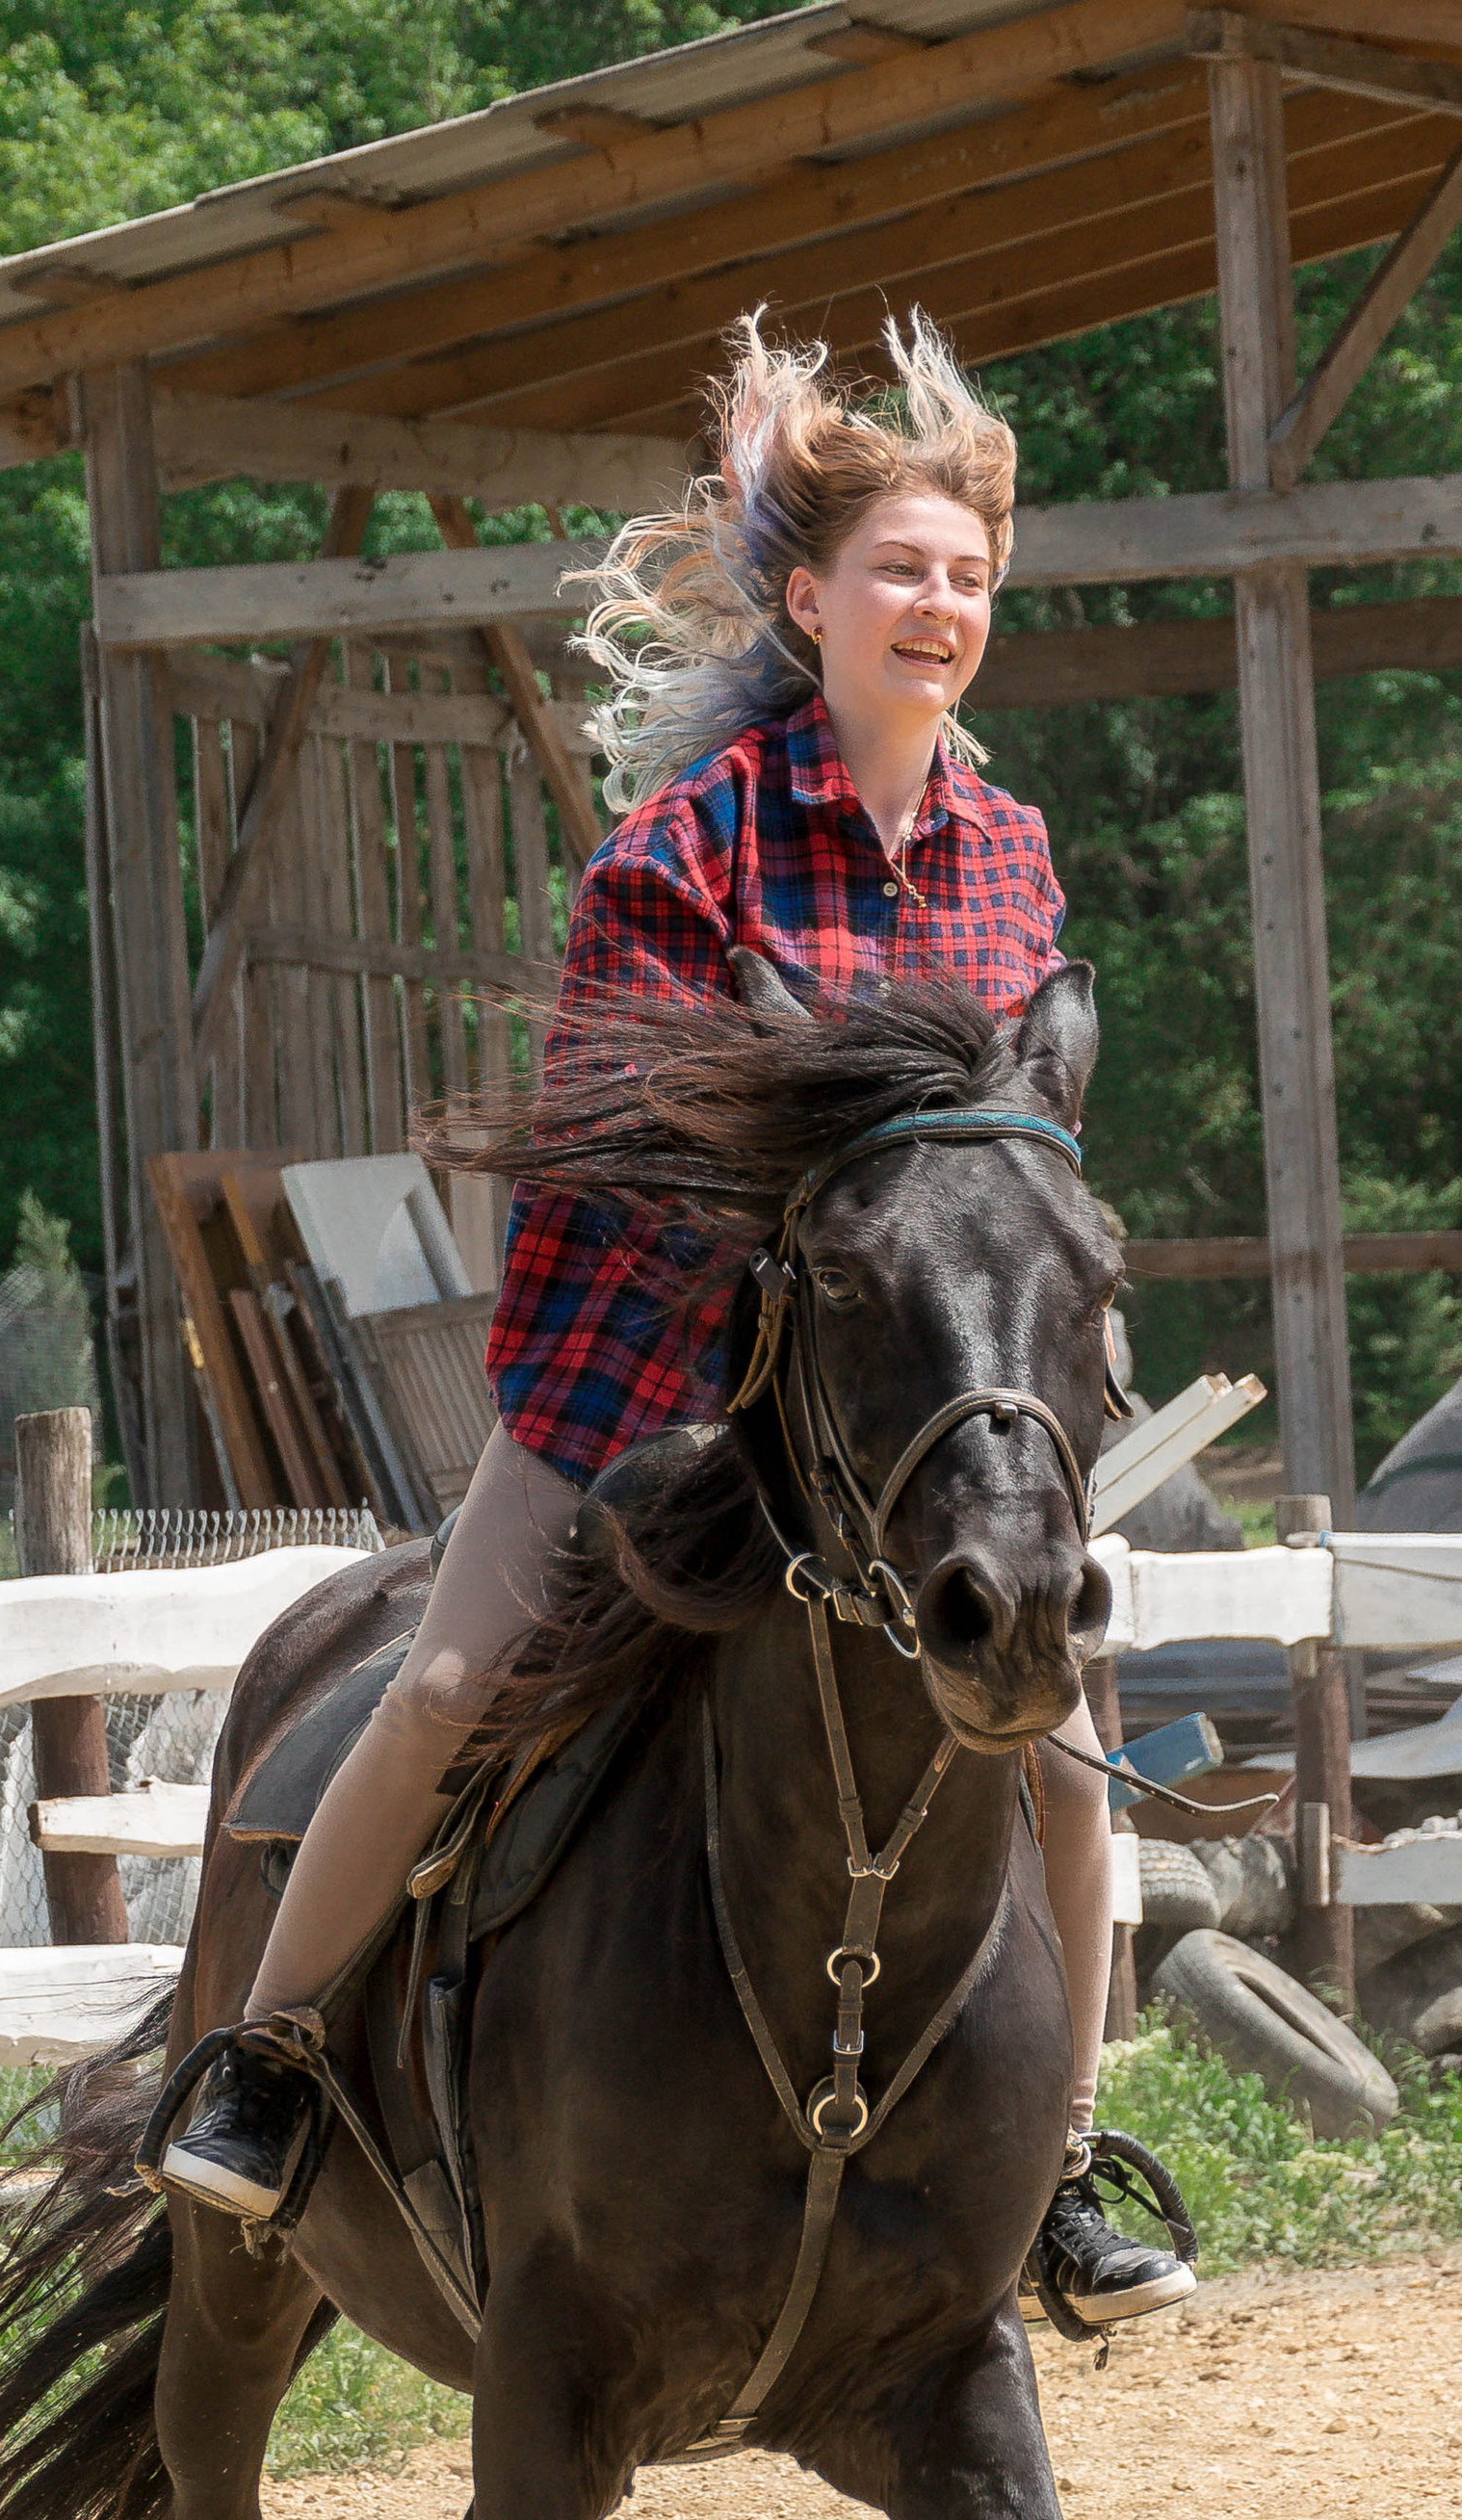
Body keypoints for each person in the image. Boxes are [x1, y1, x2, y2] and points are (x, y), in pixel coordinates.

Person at [163, 309, 1196, 2331]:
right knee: (451, 1681)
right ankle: (267, 2065)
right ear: (808, 599)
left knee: (1066, 1761)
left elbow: (1011, 1140)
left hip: (905, 1418)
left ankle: (1058, 2166)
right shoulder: (679, 852)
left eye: (968, 578)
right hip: (643, 1379)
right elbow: (628, 1161)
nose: (938, 606)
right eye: (899, 569)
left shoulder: (1008, 855)